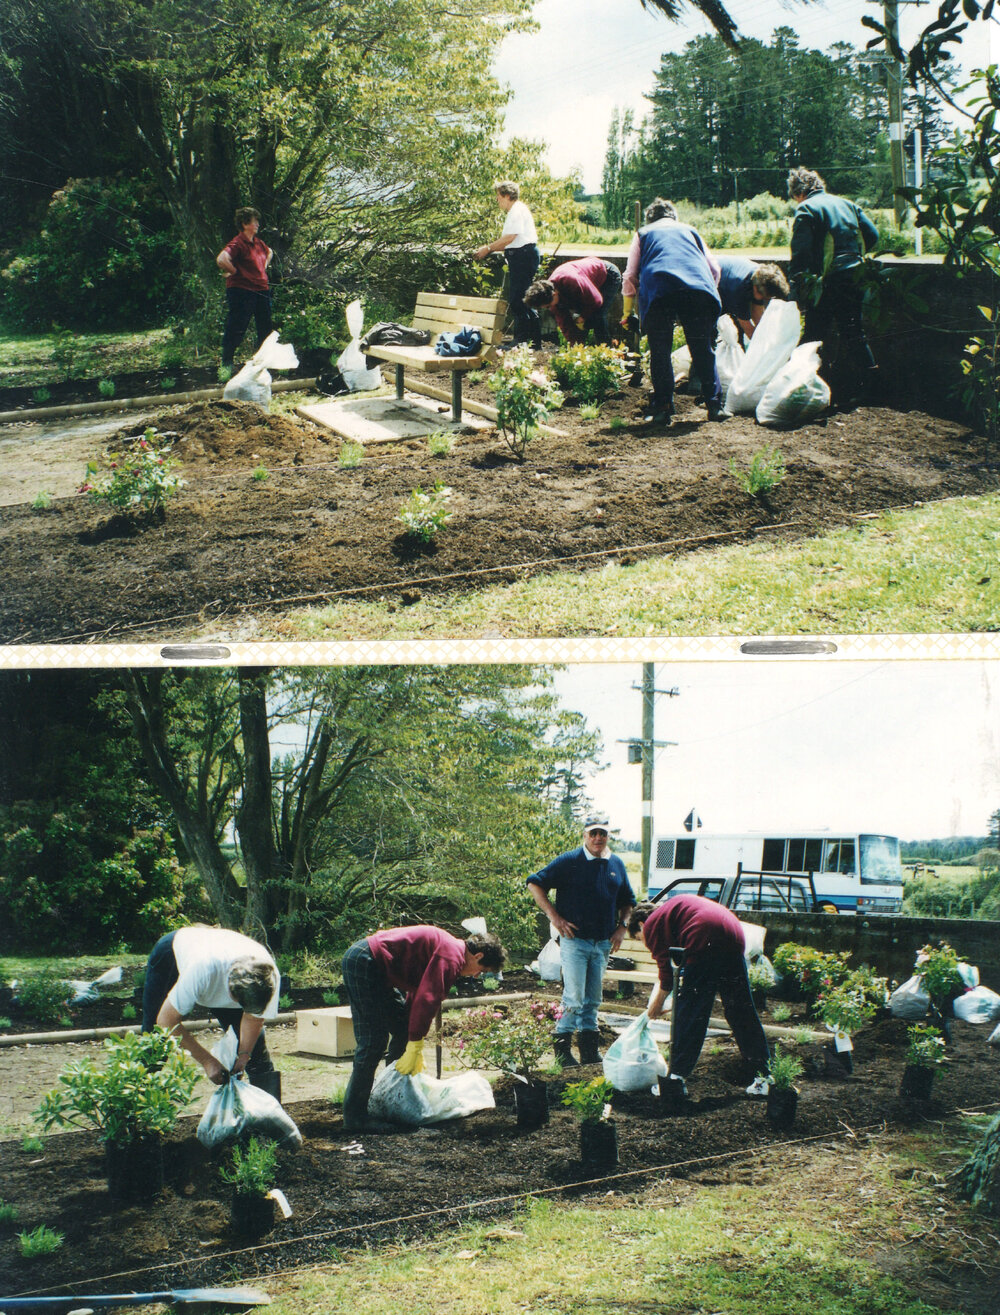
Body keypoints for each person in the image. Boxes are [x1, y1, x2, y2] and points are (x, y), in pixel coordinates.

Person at [340, 925, 506, 1133]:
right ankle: (355, 1117)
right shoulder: (451, 956)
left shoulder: (449, 950)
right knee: (373, 1041)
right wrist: (416, 1043)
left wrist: (411, 1035)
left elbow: (417, 993)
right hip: (365, 961)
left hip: (374, 965)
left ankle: (392, 1094)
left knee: (402, 1027)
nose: (475, 976)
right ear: (478, 955)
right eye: (481, 970)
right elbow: (429, 998)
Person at [628, 896, 770, 1096]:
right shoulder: (672, 912)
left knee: (691, 1014)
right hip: (733, 933)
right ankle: (764, 1077)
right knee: (740, 1010)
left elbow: (667, 975)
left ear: (641, 924)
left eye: (638, 938)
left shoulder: (652, 924)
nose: (644, 943)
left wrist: (656, 1005)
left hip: (704, 934)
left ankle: (675, 1080)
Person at [526, 816, 636, 1067]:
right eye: (593, 833)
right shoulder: (569, 861)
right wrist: (555, 918)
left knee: (593, 999)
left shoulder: (616, 863)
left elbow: (628, 899)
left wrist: (622, 927)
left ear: (608, 836)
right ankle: (562, 1052)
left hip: (603, 943)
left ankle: (589, 1052)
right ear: (585, 835)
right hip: (575, 941)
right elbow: (534, 883)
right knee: (574, 997)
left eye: (603, 833)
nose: (598, 838)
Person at [621, 198, 727, 426]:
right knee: (702, 348)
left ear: (650, 218)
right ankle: (715, 406)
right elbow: (714, 269)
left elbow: (630, 276)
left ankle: (663, 409)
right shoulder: (690, 231)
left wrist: (627, 312)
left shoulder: (643, 233)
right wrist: (707, 295)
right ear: (674, 217)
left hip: (660, 291)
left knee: (660, 352)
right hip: (697, 290)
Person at [142, 926, 280, 1087]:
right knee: (154, 1043)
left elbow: (254, 1020)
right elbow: (166, 1021)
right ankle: (134, 1105)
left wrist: (244, 1055)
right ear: (230, 991)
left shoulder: (268, 978)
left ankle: (270, 1110)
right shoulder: (202, 971)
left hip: (221, 959)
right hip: (171, 953)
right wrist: (207, 1061)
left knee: (257, 1057)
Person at [787, 166, 879, 402]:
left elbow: (801, 253)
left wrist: (797, 285)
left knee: (814, 336)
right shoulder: (848, 204)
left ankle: (801, 387)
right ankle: (869, 390)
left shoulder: (806, 208)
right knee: (854, 333)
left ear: (799, 193)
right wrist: (855, 255)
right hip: (856, 277)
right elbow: (873, 235)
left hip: (827, 282)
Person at [474, 181, 542, 349]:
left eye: (498, 196)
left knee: (518, 300)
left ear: (506, 195)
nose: (497, 200)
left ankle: (522, 341)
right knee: (524, 300)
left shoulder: (516, 210)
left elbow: (510, 238)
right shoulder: (516, 210)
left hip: (523, 257)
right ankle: (533, 343)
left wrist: (487, 249)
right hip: (521, 257)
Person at [216, 205, 273, 373]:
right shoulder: (238, 242)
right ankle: (227, 363)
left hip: (261, 290)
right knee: (236, 327)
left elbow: (270, 252)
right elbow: (221, 259)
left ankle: (261, 364)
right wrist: (234, 271)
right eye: (254, 221)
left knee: (265, 328)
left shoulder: (258, 243)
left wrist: (262, 268)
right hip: (242, 291)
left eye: (257, 221)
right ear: (244, 223)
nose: (257, 224)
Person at [522, 257, 623, 345]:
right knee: (583, 319)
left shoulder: (572, 281)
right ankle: (586, 348)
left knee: (598, 316)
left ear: (554, 294)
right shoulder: (551, 295)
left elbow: (596, 301)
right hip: (587, 283)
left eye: (548, 306)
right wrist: (575, 346)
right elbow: (565, 323)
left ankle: (606, 351)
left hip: (607, 275)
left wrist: (583, 317)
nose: (550, 308)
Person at [716, 256, 789, 343]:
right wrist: (763, 347)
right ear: (755, 287)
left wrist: (770, 337)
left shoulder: (762, 275)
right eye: (763, 297)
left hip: (726, 279)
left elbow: (758, 316)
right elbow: (747, 327)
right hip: (711, 286)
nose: (763, 300)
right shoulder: (739, 290)